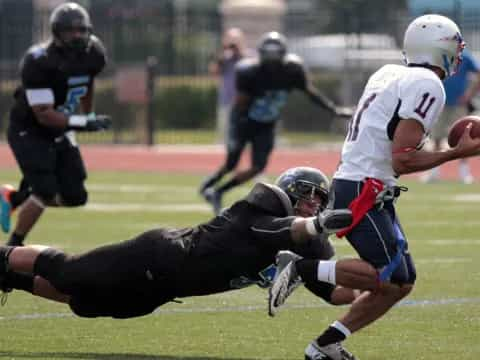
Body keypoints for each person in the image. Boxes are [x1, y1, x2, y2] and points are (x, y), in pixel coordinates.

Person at [269, 14, 480, 360]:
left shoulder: (389, 72)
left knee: (401, 283)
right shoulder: (428, 83)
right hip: (362, 188)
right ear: (439, 48)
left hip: (363, 184)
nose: (458, 53)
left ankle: (324, 346)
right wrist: (458, 153)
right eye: (455, 46)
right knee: (385, 276)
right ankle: (300, 268)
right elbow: (403, 160)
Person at [0, 167, 379, 320]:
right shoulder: (264, 209)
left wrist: (378, 291)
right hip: (161, 254)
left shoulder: (309, 242)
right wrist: (316, 223)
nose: (315, 203)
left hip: (170, 287)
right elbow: (282, 230)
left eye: (320, 199)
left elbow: (336, 294)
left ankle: (9, 278)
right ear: (290, 192)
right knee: (67, 271)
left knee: (84, 302)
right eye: (309, 195)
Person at [199, 31, 353, 214]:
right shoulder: (249, 72)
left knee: (257, 167)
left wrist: (333, 109)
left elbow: (310, 92)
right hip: (243, 121)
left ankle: (217, 191)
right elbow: (240, 104)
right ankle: (209, 184)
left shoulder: (292, 70)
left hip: (266, 124)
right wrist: (236, 129)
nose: (272, 61)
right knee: (232, 163)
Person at [0, 2, 111, 246]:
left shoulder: (93, 53)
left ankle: (13, 197)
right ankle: (12, 247)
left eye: (82, 30)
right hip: (29, 131)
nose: (78, 35)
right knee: (45, 191)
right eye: (71, 30)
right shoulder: (39, 61)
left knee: (75, 196)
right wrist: (82, 122)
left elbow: (86, 82)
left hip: (61, 129)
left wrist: (88, 115)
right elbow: (44, 115)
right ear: (57, 32)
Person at [422, 49, 480, 184]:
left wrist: (469, 95)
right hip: (439, 102)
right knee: (436, 137)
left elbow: (478, 73)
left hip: (459, 104)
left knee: (463, 137)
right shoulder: (438, 56)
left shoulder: (465, 57)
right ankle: (434, 172)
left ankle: (464, 173)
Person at [209, 27, 249, 142]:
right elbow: (214, 72)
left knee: (244, 132)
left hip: (244, 100)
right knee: (224, 134)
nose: (233, 44)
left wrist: (239, 52)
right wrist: (222, 55)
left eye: (236, 40)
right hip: (226, 99)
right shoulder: (223, 57)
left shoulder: (249, 55)